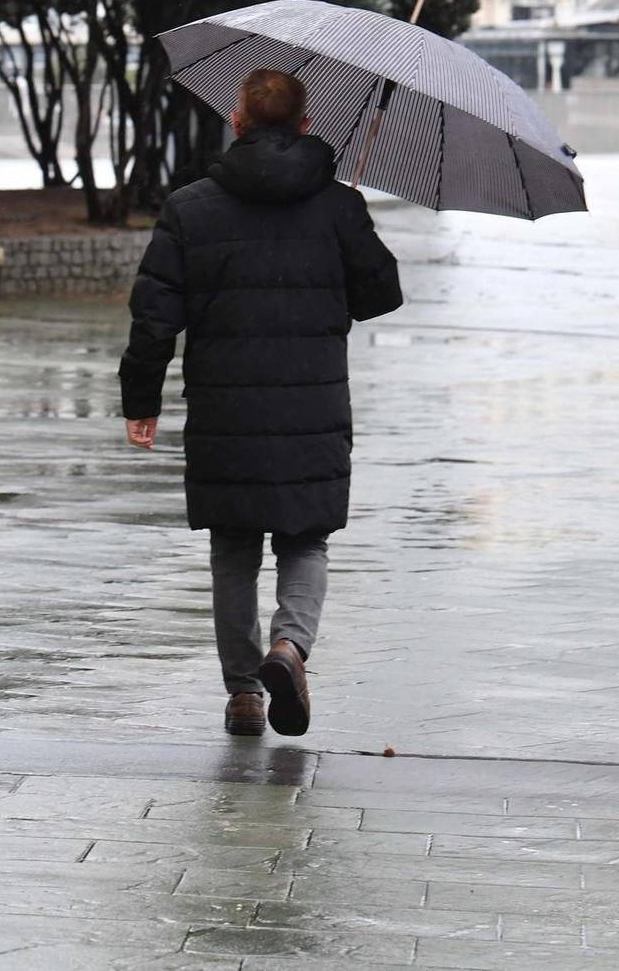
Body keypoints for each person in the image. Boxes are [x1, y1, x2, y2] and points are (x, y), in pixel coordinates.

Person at [120, 68, 402, 737]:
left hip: (226, 409)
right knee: (306, 539)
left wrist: (141, 399)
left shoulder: (191, 206)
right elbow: (379, 295)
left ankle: (245, 692)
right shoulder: (337, 206)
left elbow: (155, 315)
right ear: (306, 126)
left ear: (236, 120)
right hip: (313, 409)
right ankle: (290, 647)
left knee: (234, 547)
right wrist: (349, 222)